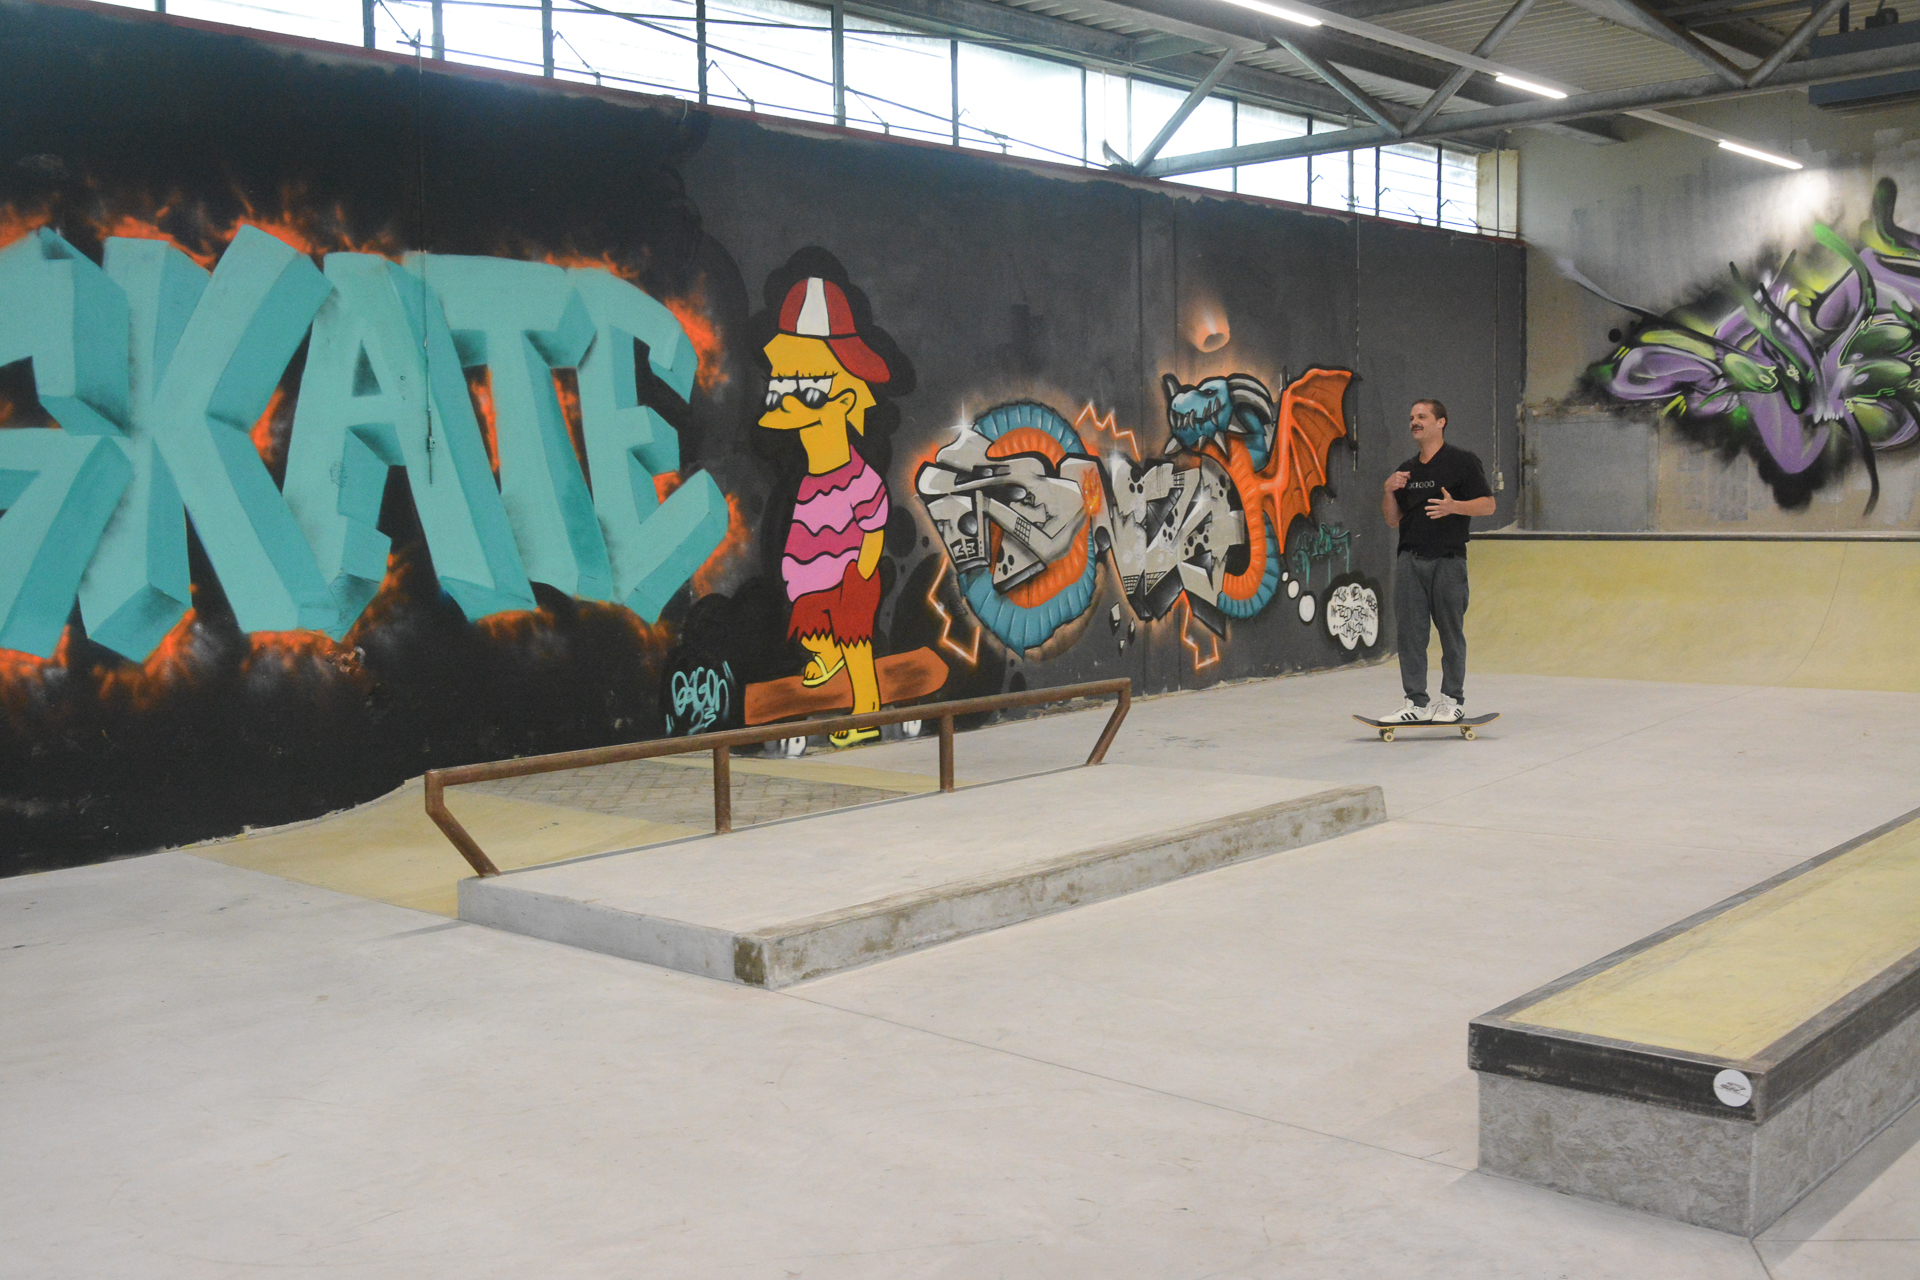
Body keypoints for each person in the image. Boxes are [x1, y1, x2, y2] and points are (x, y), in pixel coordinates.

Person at [760, 275, 893, 748]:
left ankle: (866, 713)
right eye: (782, 383)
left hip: (852, 576)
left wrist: (863, 570)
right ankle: (828, 655)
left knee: (857, 645)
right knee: (809, 627)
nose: (786, 398)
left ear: (846, 398)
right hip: (817, 580)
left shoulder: (857, 477)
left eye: (807, 386)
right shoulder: (812, 481)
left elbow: (875, 520)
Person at [1379, 398, 1496, 724]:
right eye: (1411, 417)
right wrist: (1388, 491)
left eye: (1422, 416)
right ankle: (1415, 703)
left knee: (1450, 633)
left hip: (1448, 561)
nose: (1414, 422)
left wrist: (1454, 507)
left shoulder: (1462, 462)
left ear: (1440, 422)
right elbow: (1392, 520)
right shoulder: (1406, 470)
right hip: (1410, 561)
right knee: (1410, 635)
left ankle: (1452, 700)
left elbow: (1488, 505)